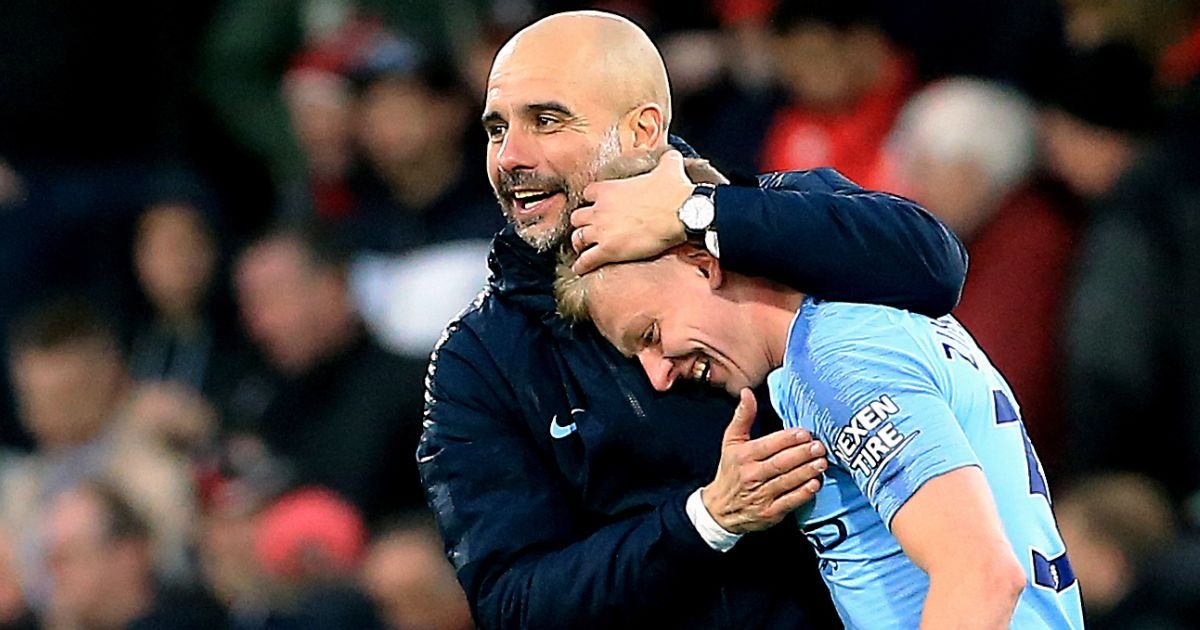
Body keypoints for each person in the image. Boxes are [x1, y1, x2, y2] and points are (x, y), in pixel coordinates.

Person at [418, 10, 968, 629]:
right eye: (496, 128)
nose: (509, 156)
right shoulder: (481, 358)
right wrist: (705, 520)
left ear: (642, 129)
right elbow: (513, 605)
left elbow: (933, 262)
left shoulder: (757, 214)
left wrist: (699, 212)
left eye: (546, 121)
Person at [555, 243, 1084, 628]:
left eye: (651, 334)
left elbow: (981, 574)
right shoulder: (864, 317)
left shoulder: (835, 364)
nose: (658, 374)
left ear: (703, 265)